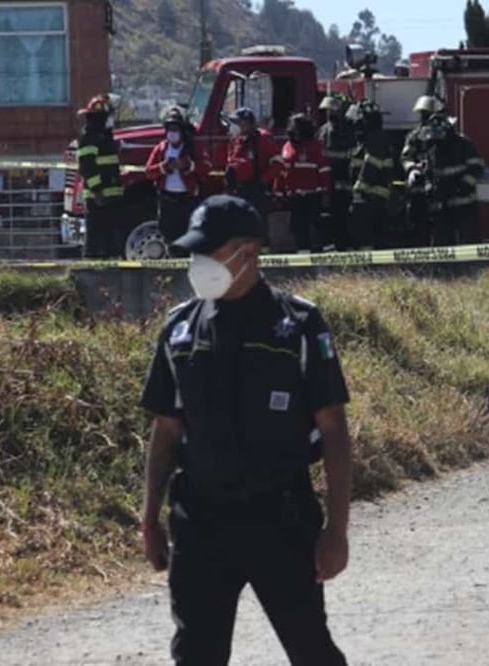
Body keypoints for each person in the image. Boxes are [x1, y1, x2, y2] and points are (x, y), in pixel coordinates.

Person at [139, 194, 353, 665]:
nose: (198, 264)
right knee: (196, 654)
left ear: (248, 252)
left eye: (209, 252)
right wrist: (150, 518)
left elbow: (334, 431)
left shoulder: (297, 324)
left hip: (280, 518)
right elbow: (166, 430)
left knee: (311, 650)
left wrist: (336, 530)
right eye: (195, 253)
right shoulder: (180, 329)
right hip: (201, 522)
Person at [409, 113, 485, 246]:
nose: (434, 138)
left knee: (467, 242)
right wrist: (427, 185)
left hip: (464, 205)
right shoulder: (433, 149)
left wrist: (462, 186)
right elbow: (430, 173)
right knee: (441, 244)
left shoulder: (464, 144)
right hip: (440, 206)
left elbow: (477, 167)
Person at [145, 106, 211, 244]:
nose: (172, 133)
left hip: (187, 199)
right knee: (168, 234)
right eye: (169, 129)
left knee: (188, 234)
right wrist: (163, 167)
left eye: (175, 129)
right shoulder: (161, 149)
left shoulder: (192, 147)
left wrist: (189, 165)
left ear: (182, 130)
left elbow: (207, 167)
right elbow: (149, 172)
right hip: (167, 200)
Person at [76, 93, 125, 258]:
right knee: (96, 238)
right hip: (98, 197)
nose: (111, 119)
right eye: (108, 115)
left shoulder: (103, 134)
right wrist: (97, 190)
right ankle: (92, 266)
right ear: (101, 116)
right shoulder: (90, 135)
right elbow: (87, 165)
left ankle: (110, 265)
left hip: (111, 196)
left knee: (110, 238)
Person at [275, 113, 332, 253]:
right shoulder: (287, 147)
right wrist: (279, 191)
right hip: (295, 196)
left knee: (319, 225)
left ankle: (329, 255)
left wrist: (326, 191)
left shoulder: (315, 146)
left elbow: (324, 170)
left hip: (314, 195)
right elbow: (282, 171)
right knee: (298, 227)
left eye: (296, 127)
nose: (293, 129)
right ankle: (303, 255)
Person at [225, 107, 282, 242]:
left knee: (258, 221)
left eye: (238, 122)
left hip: (256, 187)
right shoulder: (236, 140)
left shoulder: (263, 138)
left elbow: (278, 163)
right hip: (239, 188)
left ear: (248, 123)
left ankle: (263, 249)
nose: (236, 126)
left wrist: (264, 179)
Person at [345, 101, 394, 250]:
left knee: (364, 235)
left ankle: (368, 262)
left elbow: (371, 166)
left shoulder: (375, 139)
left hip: (370, 196)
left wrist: (358, 189)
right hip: (370, 196)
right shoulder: (368, 139)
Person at [401, 95, 445, 247]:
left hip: (438, 189)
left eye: (427, 113)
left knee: (440, 227)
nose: (424, 117)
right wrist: (412, 168)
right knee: (419, 226)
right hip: (419, 189)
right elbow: (406, 157)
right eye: (422, 114)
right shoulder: (414, 135)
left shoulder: (446, 136)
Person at [316, 94, 356, 250]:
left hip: (345, 182)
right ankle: (332, 246)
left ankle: (345, 246)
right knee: (328, 218)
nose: (329, 113)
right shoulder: (322, 131)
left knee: (345, 217)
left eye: (332, 110)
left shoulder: (349, 131)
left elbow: (353, 156)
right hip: (327, 183)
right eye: (327, 111)